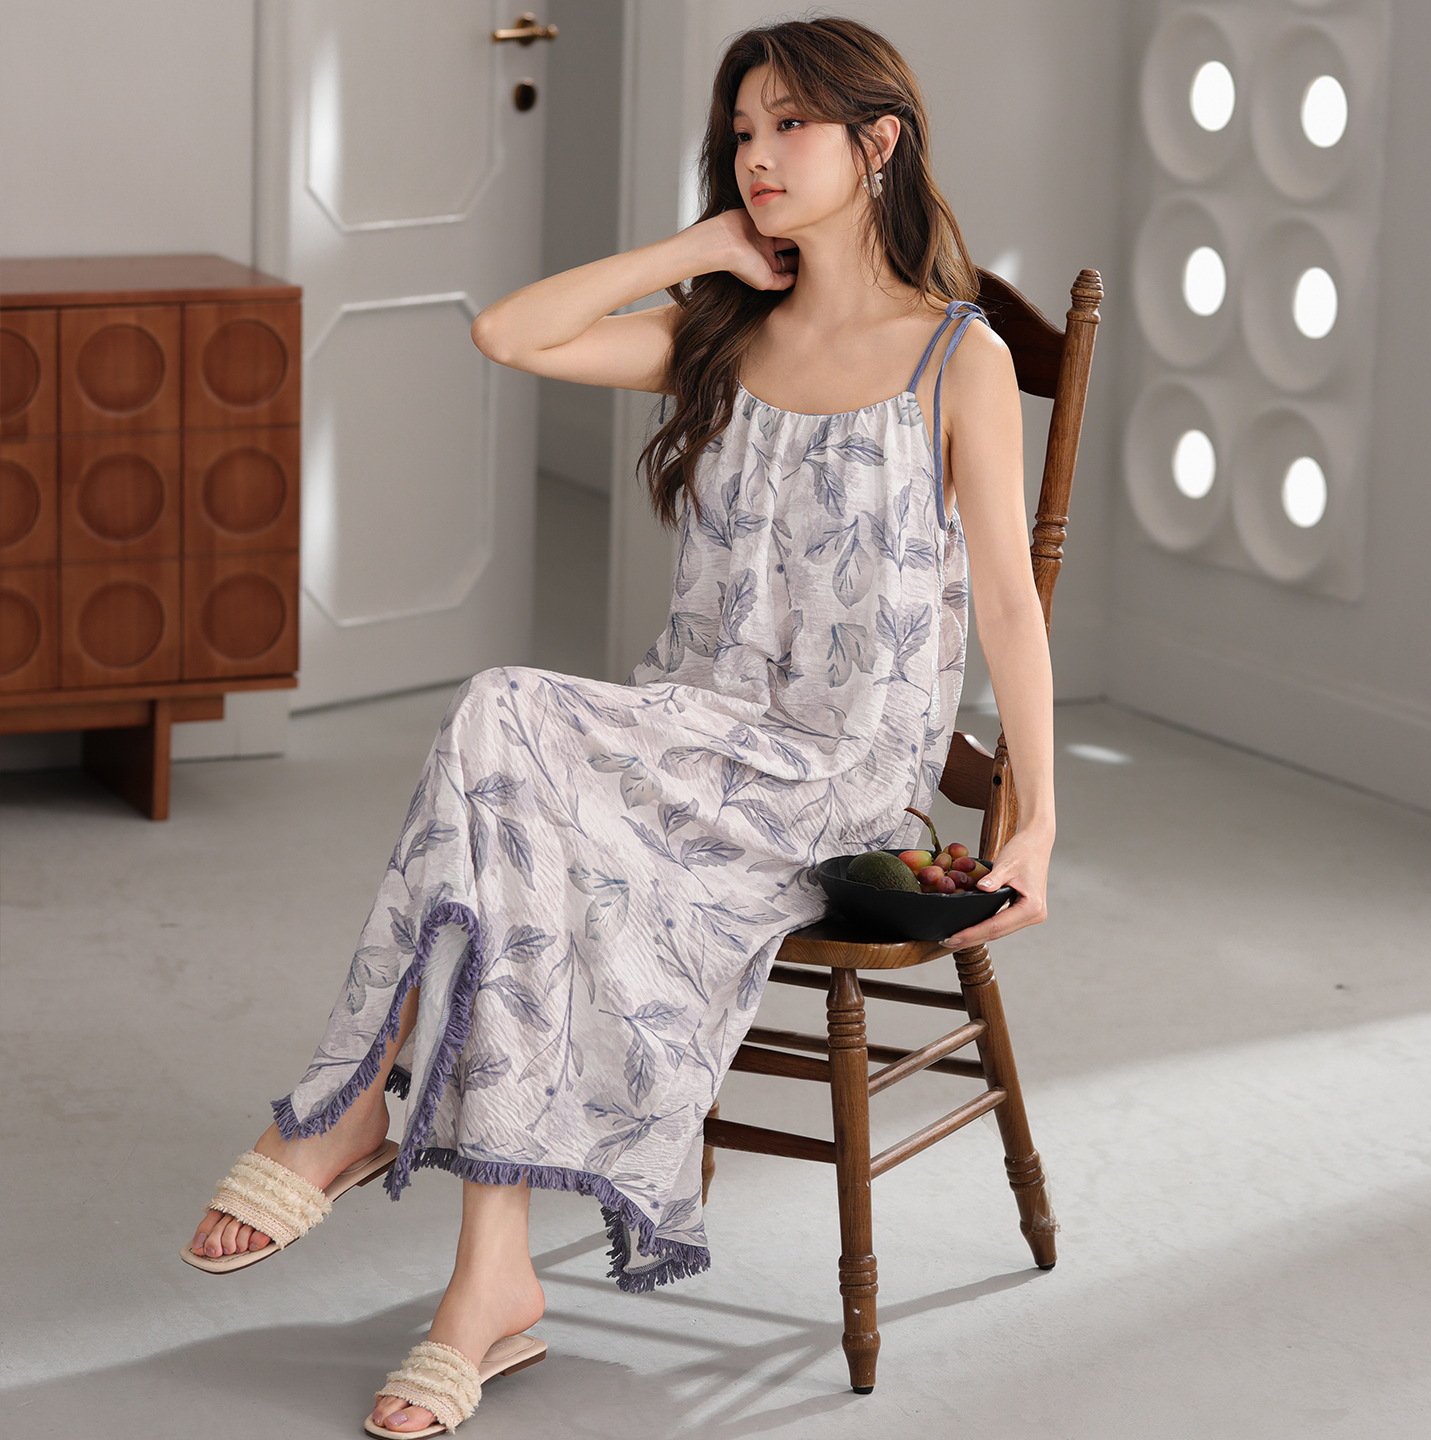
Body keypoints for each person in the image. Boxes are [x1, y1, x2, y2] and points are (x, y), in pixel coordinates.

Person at [182, 16, 1054, 1435]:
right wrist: (698, 249)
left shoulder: (955, 358)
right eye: (743, 132)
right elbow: (505, 333)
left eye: (792, 126)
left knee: (506, 725)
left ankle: (352, 1109)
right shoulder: (726, 340)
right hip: (681, 742)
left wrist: (1038, 821)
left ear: (879, 142)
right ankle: (490, 1278)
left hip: (832, 778)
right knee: (524, 822)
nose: (759, 155)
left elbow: (1010, 601)